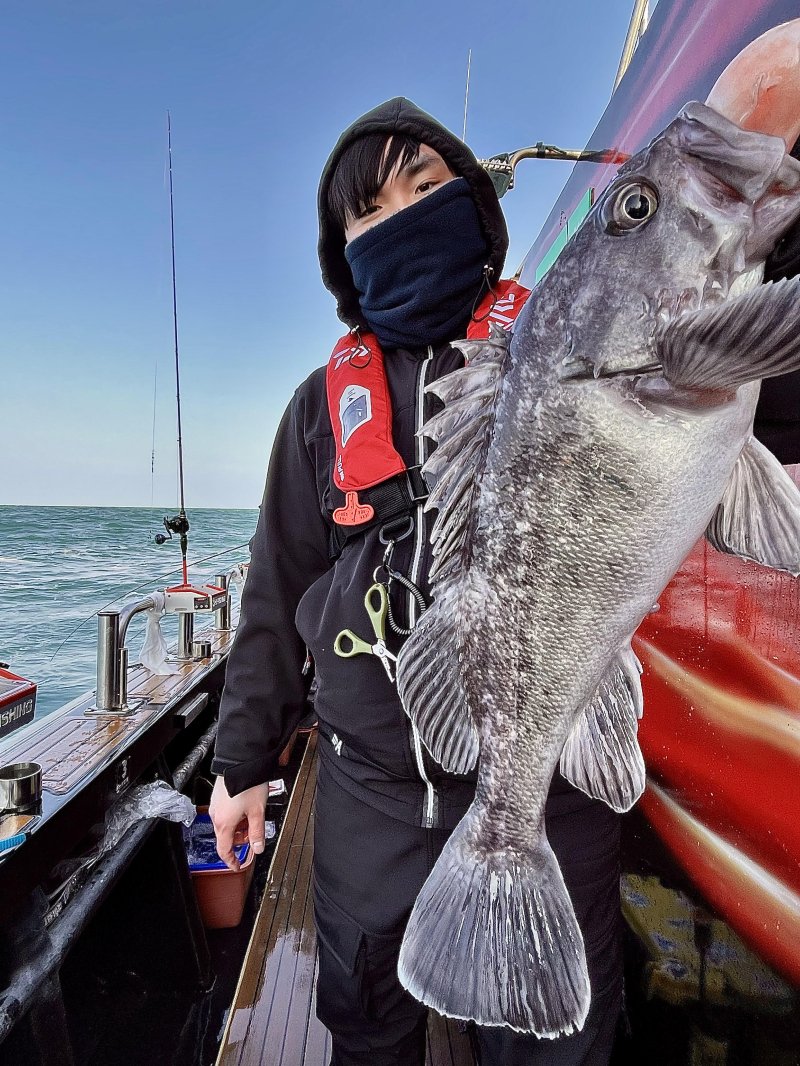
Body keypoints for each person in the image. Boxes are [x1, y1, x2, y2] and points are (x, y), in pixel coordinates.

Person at [209, 97, 622, 1066]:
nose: (399, 217)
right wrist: (240, 766)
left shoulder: (572, 351)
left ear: (474, 205)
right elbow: (275, 590)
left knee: (553, 1037)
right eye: (368, 209)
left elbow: (731, 399)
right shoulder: (319, 405)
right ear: (341, 248)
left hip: (550, 783)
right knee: (363, 1009)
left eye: (425, 188)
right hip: (372, 789)